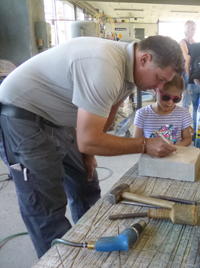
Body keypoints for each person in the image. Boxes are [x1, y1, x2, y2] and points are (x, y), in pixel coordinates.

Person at [0, 35, 184, 258]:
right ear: (145, 58)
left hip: (58, 119)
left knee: (86, 181)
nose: (160, 86)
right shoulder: (105, 66)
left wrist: (89, 153)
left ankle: (91, 244)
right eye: (160, 78)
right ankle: (60, 261)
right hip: (22, 117)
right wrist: (144, 144)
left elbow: (110, 111)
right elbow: (87, 139)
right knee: (46, 207)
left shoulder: (131, 71)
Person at [133, 75, 193, 146]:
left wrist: (173, 148)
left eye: (176, 99)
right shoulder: (142, 114)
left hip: (175, 155)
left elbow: (187, 139)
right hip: (150, 156)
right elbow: (136, 142)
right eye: (166, 97)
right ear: (155, 90)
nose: (170, 102)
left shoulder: (183, 113)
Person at [179, 20, 196, 109]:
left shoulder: (193, 41)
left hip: (193, 69)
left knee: (196, 102)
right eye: (192, 29)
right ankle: (184, 121)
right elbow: (187, 58)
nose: (194, 31)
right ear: (187, 29)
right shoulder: (182, 42)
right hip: (186, 70)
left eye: (195, 29)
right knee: (187, 100)